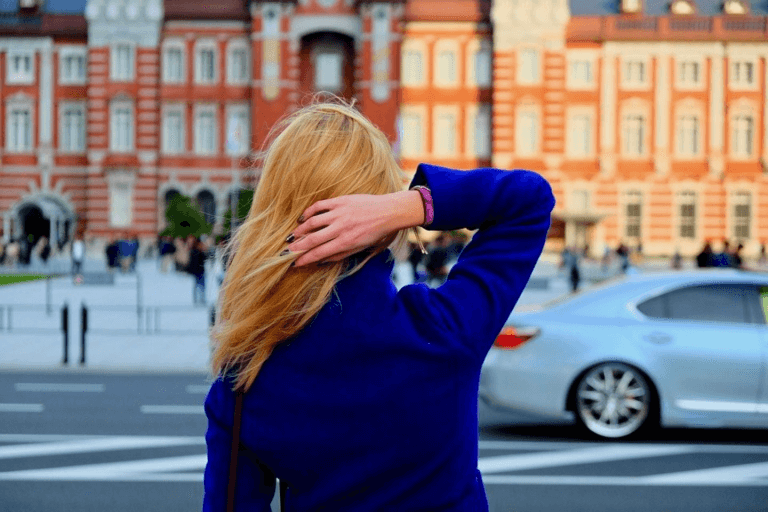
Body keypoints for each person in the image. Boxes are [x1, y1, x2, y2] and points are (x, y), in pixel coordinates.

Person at [203, 102, 554, 511]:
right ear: (375, 216)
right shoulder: (440, 330)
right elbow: (528, 201)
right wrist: (406, 207)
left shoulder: (245, 374)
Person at [186, 237, 207, 306]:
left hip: (197, 271)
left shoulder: (193, 251)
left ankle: (197, 299)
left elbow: (191, 262)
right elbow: (204, 258)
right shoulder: (198, 251)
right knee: (201, 286)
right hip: (200, 271)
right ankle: (200, 299)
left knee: (197, 286)